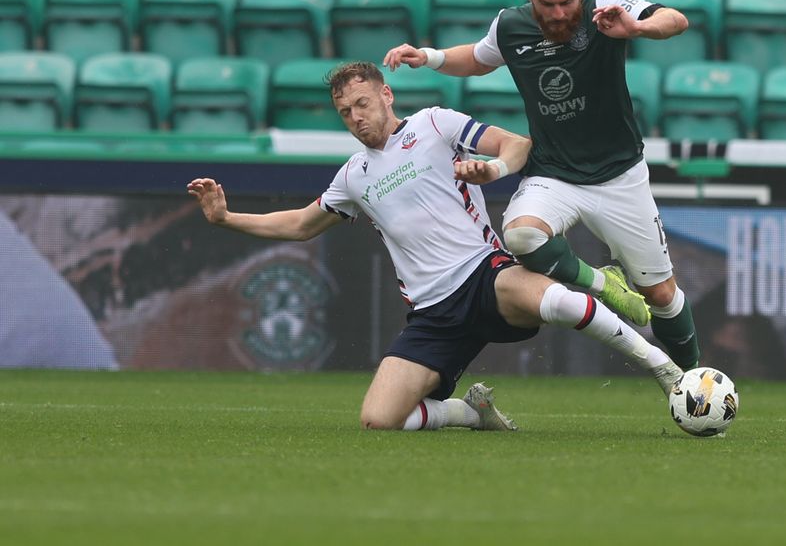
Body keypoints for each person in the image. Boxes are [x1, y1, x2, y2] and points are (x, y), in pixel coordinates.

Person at [187, 61, 684, 432]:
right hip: (432, 313)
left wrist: (491, 169)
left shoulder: (434, 124)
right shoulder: (353, 176)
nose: (356, 117)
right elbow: (300, 225)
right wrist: (226, 218)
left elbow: (517, 144)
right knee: (379, 420)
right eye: (345, 112)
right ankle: (469, 413)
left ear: (386, 94)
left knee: (558, 302)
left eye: (362, 104)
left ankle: (663, 369)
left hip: (485, 275)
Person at [383, 0, 701, 371]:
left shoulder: (605, 5)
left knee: (661, 295)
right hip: (554, 174)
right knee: (521, 236)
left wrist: (638, 28)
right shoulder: (510, 25)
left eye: (567, 2)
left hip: (619, 175)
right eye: (546, 4)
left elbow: (676, 21)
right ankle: (603, 284)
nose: (557, 13)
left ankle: (692, 378)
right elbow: (478, 59)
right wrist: (429, 57)